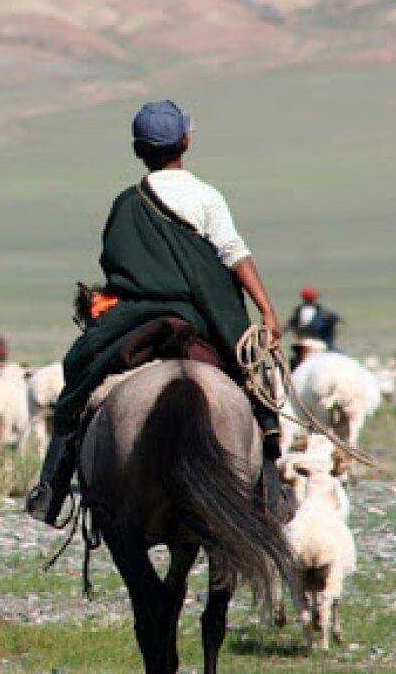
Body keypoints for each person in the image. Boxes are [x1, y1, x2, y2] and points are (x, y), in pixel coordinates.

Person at [26, 99, 285, 526]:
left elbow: (117, 266)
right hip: (203, 315)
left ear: (137, 150)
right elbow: (234, 254)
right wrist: (267, 310)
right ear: (185, 141)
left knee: (79, 371)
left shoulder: (127, 204)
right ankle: (270, 485)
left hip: (137, 315)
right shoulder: (206, 196)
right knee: (257, 380)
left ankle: (51, 487)